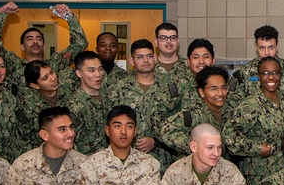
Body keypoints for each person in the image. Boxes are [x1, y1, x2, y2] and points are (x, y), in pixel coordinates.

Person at [223, 56, 284, 185]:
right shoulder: (251, 105)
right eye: (265, 73)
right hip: (260, 176)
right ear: (259, 76)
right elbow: (229, 135)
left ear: (281, 75)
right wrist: (256, 148)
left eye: (275, 73)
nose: (271, 77)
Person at [105, 39, 183, 171]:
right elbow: (111, 123)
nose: (145, 61)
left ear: (155, 58)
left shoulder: (170, 88)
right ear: (132, 61)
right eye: (140, 57)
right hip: (128, 160)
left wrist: (156, 140)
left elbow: (178, 120)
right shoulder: (119, 88)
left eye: (149, 56)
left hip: (163, 158)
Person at [0, 2, 88, 94]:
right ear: (22, 46)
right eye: (30, 39)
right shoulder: (13, 65)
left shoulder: (56, 64)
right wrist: (1, 14)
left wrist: (70, 18)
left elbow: (80, 44)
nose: (35, 41)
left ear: (44, 46)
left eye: (39, 39)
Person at [158, 66, 231, 157]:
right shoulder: (193, 114)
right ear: (201, 92)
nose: (220, 93)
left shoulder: (232, 111)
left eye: (223, 88)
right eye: (213, 89)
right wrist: (199, 147)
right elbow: (166, 131)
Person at [226, 25, 284, 109]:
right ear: (256, 46)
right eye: (262, 48)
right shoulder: (243, 74)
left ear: (277, 46)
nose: (267, 53)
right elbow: (235, 105)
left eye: (271, 47)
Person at [65, 51, 110, 155]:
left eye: (100, 69)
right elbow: (71, 143)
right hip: (86, 162)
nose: (98, 74)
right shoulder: (75, 106)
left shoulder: (108, 96)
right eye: (91, 70)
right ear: (79, 73)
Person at [19, 60, 66, 151]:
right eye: (45, 78)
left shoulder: (68, 89)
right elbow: (26, 138)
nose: (53, 78)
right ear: (35, 85)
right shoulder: (28, 105)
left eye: (52, 72)